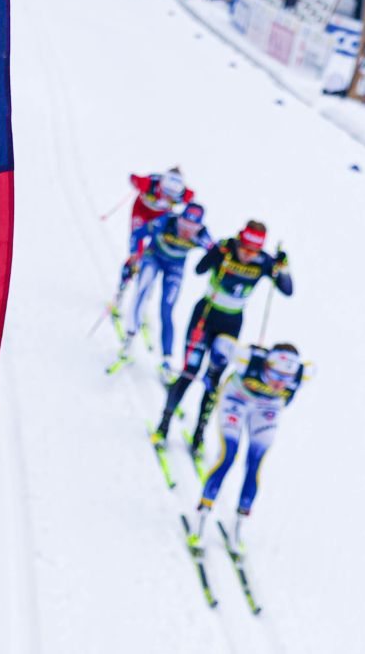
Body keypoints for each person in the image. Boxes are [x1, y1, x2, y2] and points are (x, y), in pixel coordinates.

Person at [152, 220, 293, 456]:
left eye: (253, 251)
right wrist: (215, 251)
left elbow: (287, 290)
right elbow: (199, 269)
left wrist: (283, 267)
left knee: (213, 379)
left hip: (231, 324)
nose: (248, 256)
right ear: (239, 241)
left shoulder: (264, 262)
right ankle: (163, 425)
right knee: (190, 371)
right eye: (245, 249)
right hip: (205, 316)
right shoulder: (227, 249)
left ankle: (199, 434)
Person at [185, 342, 305, 558]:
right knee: (227, 456)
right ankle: (201, 516)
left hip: (267, 408)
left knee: (255, 463)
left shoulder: (303, 374)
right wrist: (214, 372)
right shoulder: (248, 359)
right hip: (237, 399)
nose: (279, 383)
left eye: (286, 379)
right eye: (275, 374)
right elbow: (221, 343)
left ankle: (238, 526)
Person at [120, 202, 215, 383]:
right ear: (179, 218)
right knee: (142, 290)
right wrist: (134, 255)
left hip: (175, 266)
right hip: (153, 257)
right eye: (184, 224)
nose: (187, 231)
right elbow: (138, 233)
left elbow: (217, 253)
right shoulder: (165, 221)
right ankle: (129, 340)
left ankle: (166, 358)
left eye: (192, 227)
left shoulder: (203, 235)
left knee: (167, 309)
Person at [115, 167, 194, 307]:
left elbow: (192, 202)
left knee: (154, 252)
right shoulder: (149, 183)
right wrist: (137, 183)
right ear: (161, 185)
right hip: (141, 212)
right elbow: (132, 177)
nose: (168, 198)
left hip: (160, 218)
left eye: (173, 198)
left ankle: (144, 294)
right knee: (136, 253)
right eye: (166, 193)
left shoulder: (184, 194)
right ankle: (121, 291)